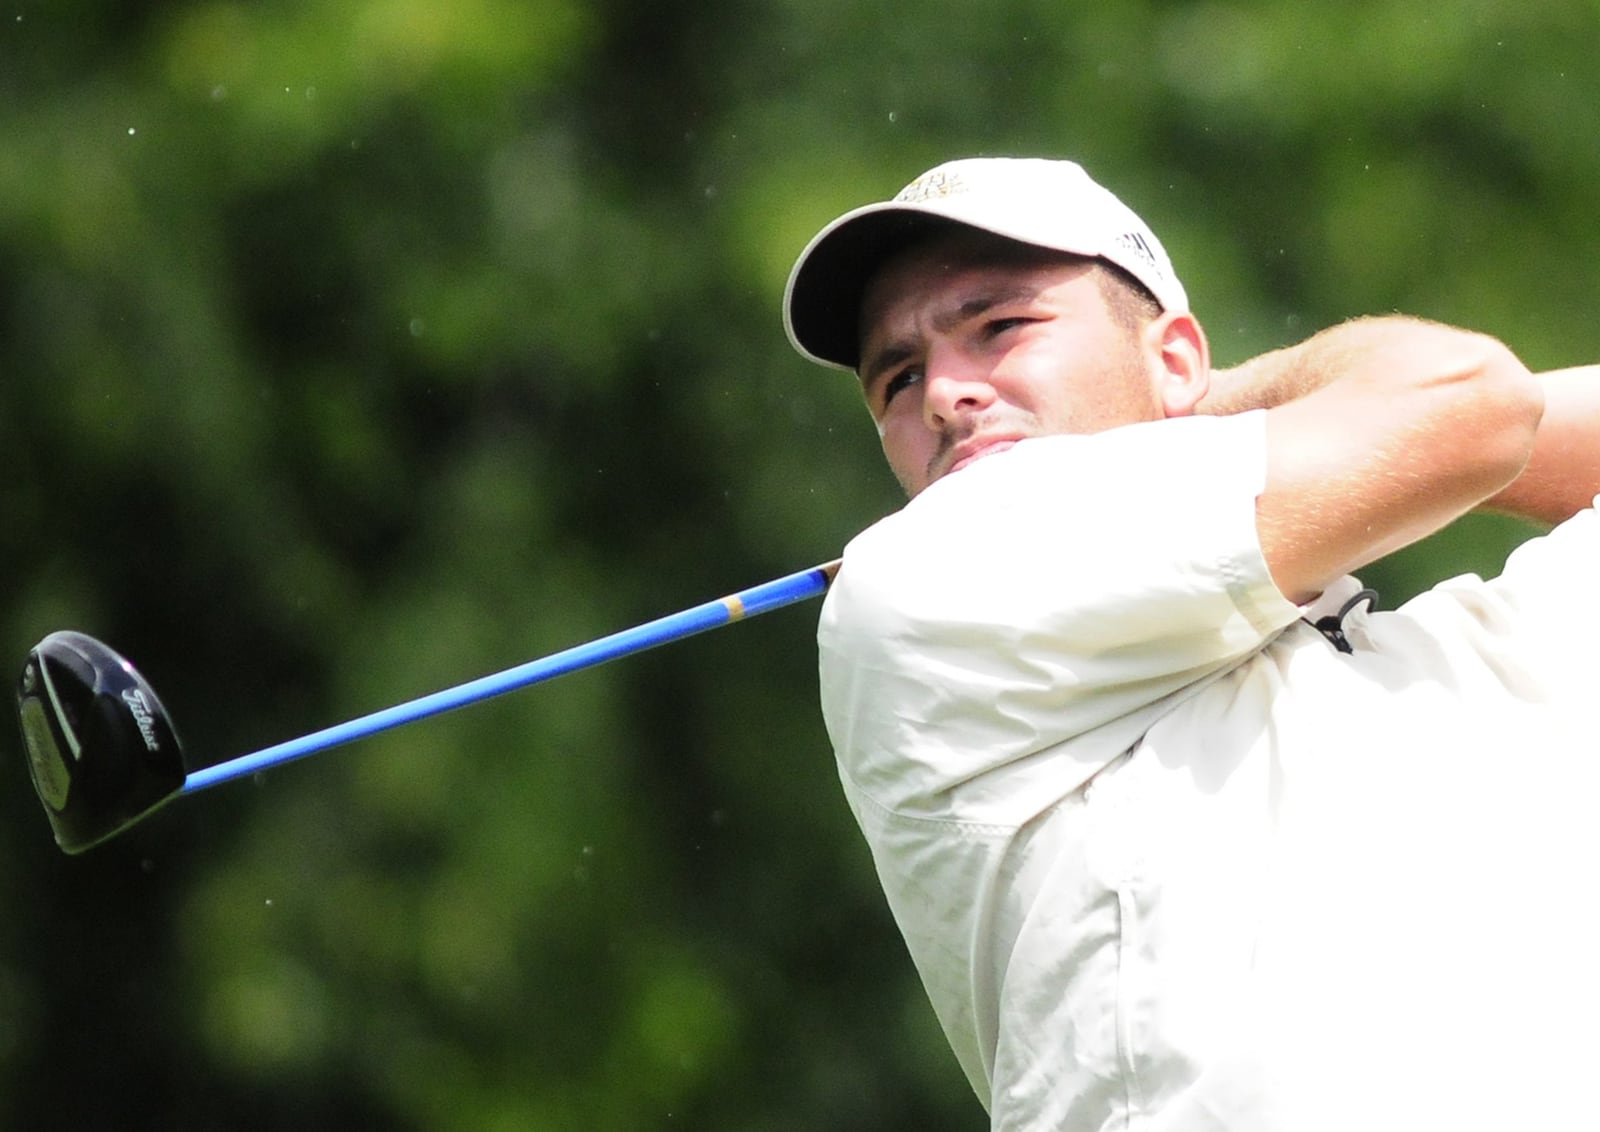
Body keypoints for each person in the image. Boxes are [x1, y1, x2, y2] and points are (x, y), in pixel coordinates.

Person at [781, 157, 1600, 1130]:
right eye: (898, 377)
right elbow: (1470, 406)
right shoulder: (922, 578)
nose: (943, 395)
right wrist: (1198, 409)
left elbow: (1474, 412)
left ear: (1175, 356)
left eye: (998, 328)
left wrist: (1191, 408)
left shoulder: (1460, 664)